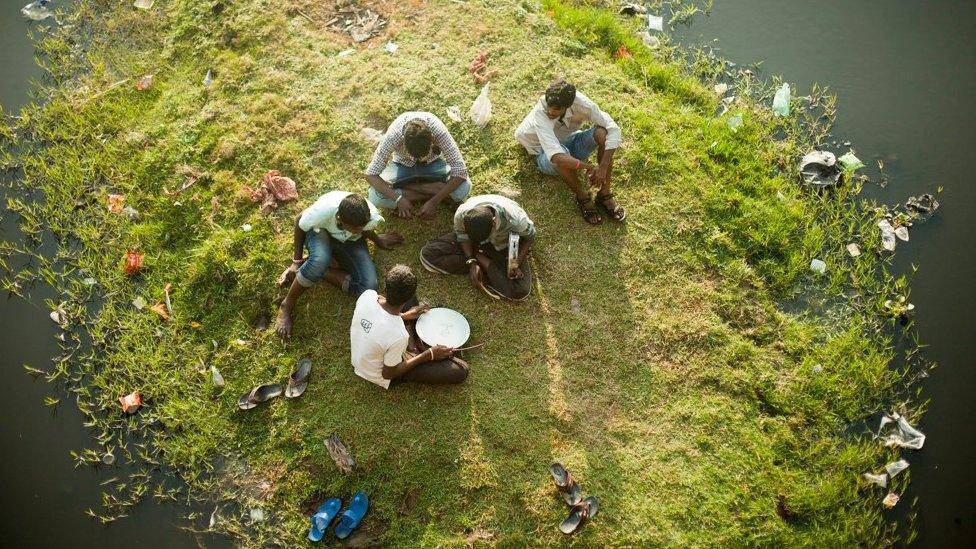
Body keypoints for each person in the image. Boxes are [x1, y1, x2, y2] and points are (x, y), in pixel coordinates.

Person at [275, 191, 404, 339]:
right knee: (319, 260)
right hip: (320, 232)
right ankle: (288, 303)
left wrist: (378, 240)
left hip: (349, 241)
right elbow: (299, 221)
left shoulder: (369, 215)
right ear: (339, 218)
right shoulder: (323, 211)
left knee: (368, 287)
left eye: (361, 227)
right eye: (355, 228)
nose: (359, 231)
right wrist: (296, 262)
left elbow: (365, 229)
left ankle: (317, 269)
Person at [515, 79, 626, 224]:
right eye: (549, 106)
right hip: (542, 152)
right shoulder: (541, 112)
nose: (550, 111)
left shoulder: (581, 103)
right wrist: (590, 167)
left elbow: (614, 129)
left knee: (602, 133)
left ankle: (604, 193)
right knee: (561, 157)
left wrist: (603, 167)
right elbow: (557, 157)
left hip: (568, 140)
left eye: (555, 109)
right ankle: (583, 197)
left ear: (568, 106)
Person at [350, 264, 469, 388]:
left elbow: (379, 319)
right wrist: (427, 355)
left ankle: (413, 346)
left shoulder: (367, 296)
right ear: (406, 298)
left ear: (386, 288)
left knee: (413, 306)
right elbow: (388, 374)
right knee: (461, 370)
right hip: (381, 374)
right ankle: (415, 350)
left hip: (365, 358)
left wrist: (405, 315)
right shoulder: (398, 336)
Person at [419, 194, 534, 301]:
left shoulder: (516, 220)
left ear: (494, 223)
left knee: (519, 290)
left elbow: (529, 238)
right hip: (471, 245)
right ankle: (487, 267)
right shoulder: (463, 214)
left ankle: (486, 264)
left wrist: (514, 263)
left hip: (505, 245)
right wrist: (472, 262)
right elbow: (463, 237)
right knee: (429, 254)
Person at [364, 112, 472, 219]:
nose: (419, 159)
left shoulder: (438, 131)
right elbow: (370, 175)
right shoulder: (394, 135)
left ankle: (409, 187)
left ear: (432, 139)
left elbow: (460, 171)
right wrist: (398, 199)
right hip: (402, 166)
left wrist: (433, 202)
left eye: (422, 155)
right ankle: (439, 193)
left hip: (432, 164)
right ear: (403, 141)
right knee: (374, 196)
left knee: (464, 187)